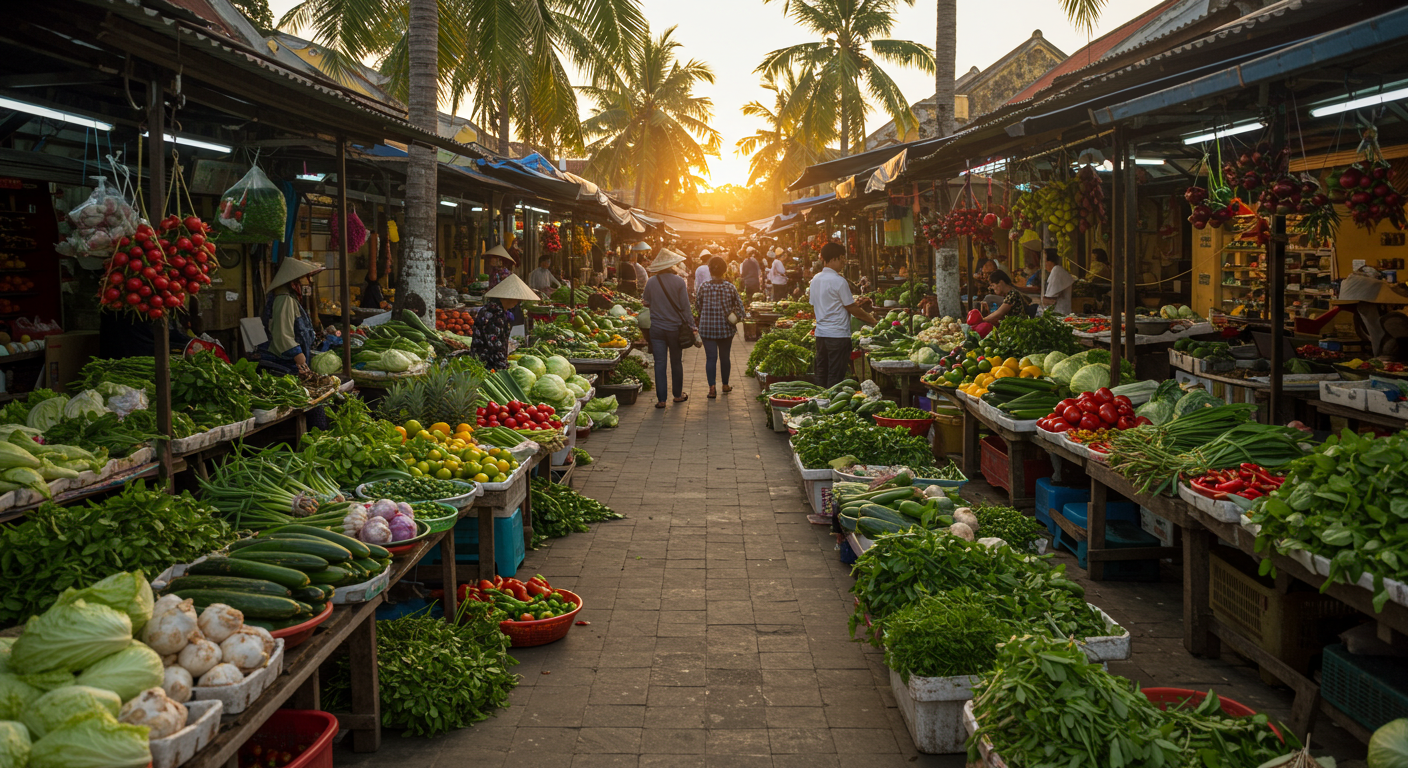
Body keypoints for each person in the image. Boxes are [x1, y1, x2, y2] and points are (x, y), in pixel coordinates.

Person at [809, 242, 877, 389]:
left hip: (821, 335)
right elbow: (852, 308)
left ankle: (819, 403)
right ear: (834, 259)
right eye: (842, 259)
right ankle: (830, 406)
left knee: (821, 372)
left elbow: (815, 304)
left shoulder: (815, 280)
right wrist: (873, 320)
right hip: (838, 336)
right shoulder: (839, 281)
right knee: (835, 375)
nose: (843, 263)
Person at [642, 248, 698, 408]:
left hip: (657, 329)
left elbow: (645, 301)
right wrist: (693, 325)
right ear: (672, 265)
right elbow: (685, 307)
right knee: (676, 362)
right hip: (675, 329)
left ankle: (661, 400)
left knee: (660, 363)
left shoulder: (651, 281)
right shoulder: (679, 281)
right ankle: (678, 395)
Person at [260, 258, 325, 375]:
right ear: (294, 281)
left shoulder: (290, 298)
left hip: (287, 358)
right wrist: (296, 354)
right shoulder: (284, 299)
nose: (309, 281)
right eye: (306, 277)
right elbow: (282, 333)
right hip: (282, 360)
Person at [696, 255, 744, 399]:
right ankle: (725, 385)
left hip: (707, 329)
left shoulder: (703, 287)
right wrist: (734, 317)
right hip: (725, 329)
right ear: (724, 271)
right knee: (725, 357)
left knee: (710, 358)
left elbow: (698, 307)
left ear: (710, 271)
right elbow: (741, 310)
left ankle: (712, 389)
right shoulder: (730, 287)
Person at [470, 273, 538, 371]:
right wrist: (503, 368)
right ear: (510, 297)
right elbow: (495, 346)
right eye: (517, 300)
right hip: (486, 364)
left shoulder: (493, 309)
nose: (517, 303)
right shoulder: (496, 314)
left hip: (482, 361)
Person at [1040, 249, 1076, 316]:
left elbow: (1049, 299)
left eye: (1044, 260)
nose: (1043, 264)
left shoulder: (1057, 271)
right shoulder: (1057, 270)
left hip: (1059, 313)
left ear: (1050, 261)